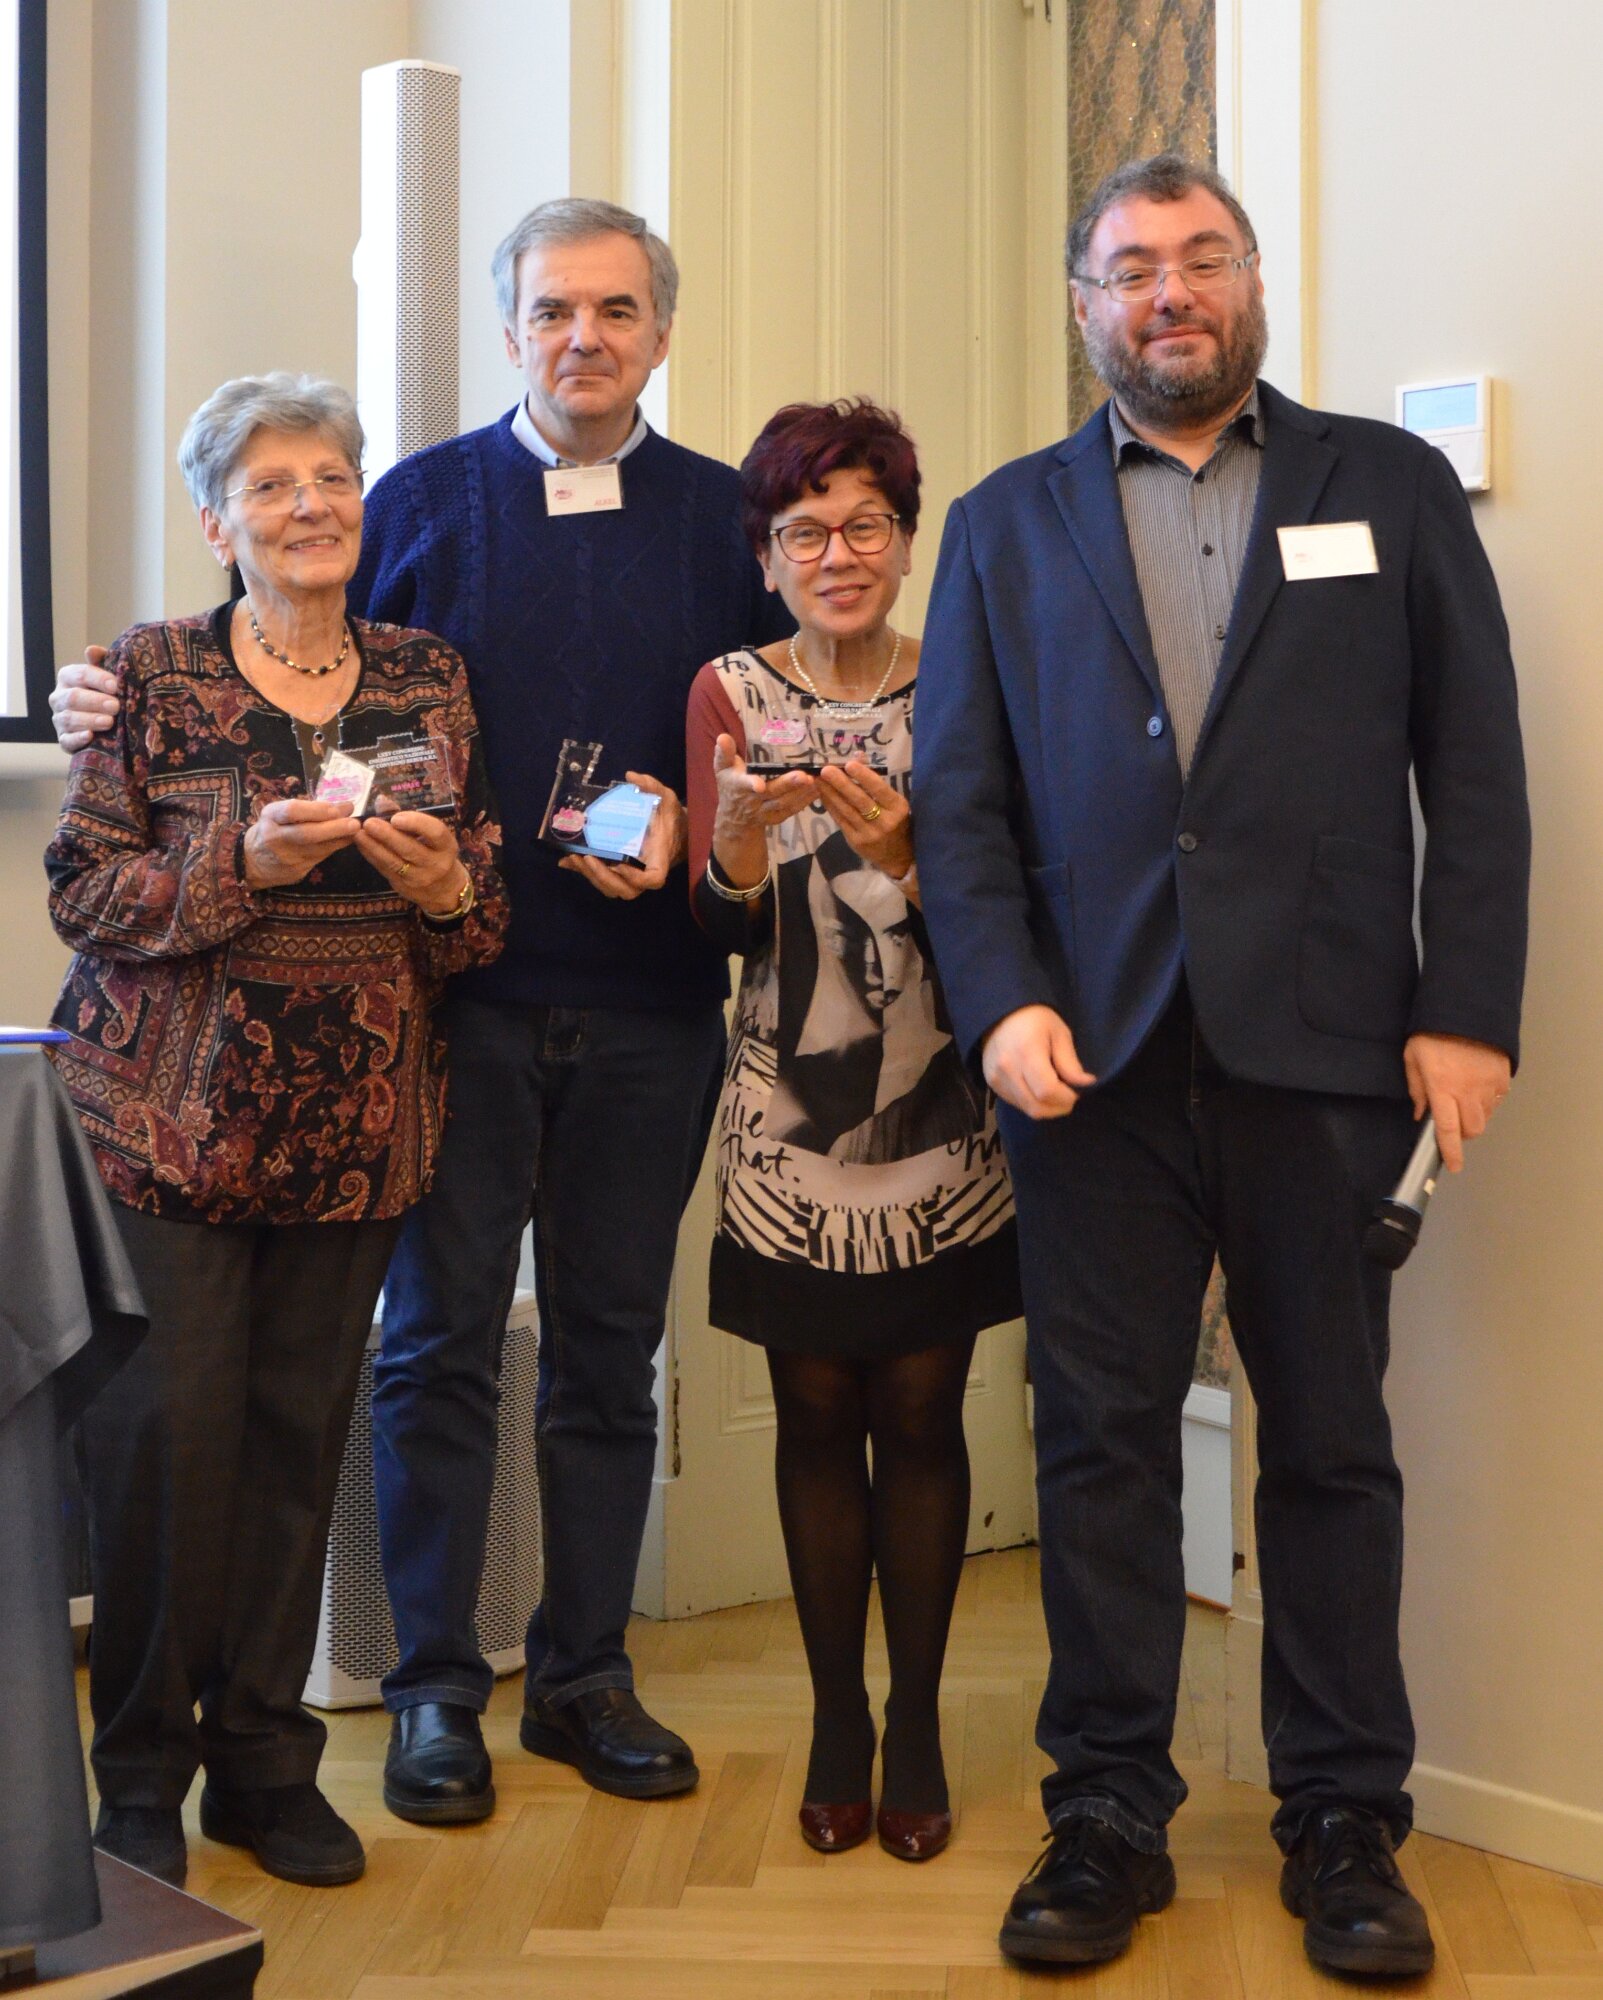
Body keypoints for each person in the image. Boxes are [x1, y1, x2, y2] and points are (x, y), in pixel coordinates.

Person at [50, 199, 796, 1822]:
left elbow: (766, 727)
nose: (583, 337)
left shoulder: (725, 518)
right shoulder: (415, 500)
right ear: (511, 331)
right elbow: (270, 636)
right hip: (447, 1015)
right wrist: (90, 689)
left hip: (652, 1002)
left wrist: (703, 824)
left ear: (661, 334)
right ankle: (435, 1690)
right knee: (437, 1350)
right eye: (553, 311)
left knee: (609, 1356)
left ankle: (584, 1678)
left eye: (616, 310)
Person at [912, 154, 1528, 1979]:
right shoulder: (1005, 523)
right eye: (1131, 269)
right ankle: (1107, 1810)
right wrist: (998, 1000)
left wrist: (1468, 1008)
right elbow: (960, 802)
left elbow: (1474, 767)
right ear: (1084, 306)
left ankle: (1345, 1818)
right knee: (1098, 1445)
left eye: (1201, 259)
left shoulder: (1387, 488)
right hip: (1085, 1066)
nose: (1168, 292)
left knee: (1331, 1446)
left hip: (1331, 1056)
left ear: (1251, 283)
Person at [45, 374, 507, 1892]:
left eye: (332, 478)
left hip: (355, 1133)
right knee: (161, 1461)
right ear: (216, 524)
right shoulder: (147, 673)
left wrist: (446, 888)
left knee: (296, 1453)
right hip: (164, 1136)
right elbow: (85, 895)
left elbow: (480, 913)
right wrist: (237, 865)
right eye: (271, 484)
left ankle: (262, 1765)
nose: (311, 504)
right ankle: (137, 1782)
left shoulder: (427, 676)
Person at [685, 399, 1020, 1863]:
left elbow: (1018, 908)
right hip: (784, 1122)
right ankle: (838, 1720)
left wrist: (910, 856)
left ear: (906, 540)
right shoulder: (725, 692)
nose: (838, 553)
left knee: (923, 1418)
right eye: (805, 530)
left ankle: (923, 1722)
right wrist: (731, 853)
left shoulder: (967, 682)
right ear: (767, 557)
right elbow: (716, 928)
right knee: (816, 1416)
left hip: (945, 1114)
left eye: (866, 524)